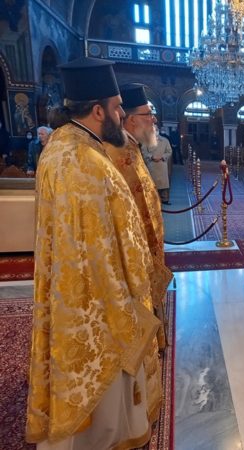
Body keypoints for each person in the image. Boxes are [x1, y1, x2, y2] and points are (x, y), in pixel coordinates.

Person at [26, 57, 162, 449]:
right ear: (98, 110)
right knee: (103, 392)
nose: (121, 115)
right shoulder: (83, 161)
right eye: (117, 107)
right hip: (97, 302)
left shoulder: (64, 147)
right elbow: (104, 244)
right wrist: (134, 292)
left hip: (78, 290)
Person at [104, 83, 173, 349]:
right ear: (132, 120)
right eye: (148, 114)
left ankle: (154, 339)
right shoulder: (118, 153)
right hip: (135, 247)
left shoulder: (131, 148)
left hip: (146, 243)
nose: (153, 120)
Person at [143, 126, 173, 204]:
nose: (155, 131)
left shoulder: (165, 140)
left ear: (158, 130)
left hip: (162, 164)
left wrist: (162, 157)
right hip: (151, 164)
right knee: (152, 183)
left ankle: (165, 199)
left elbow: (169, 151)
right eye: (153, 129)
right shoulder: (146, 140)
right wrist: (151, 157)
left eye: (156, 129)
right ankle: (152, 200)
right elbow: (144, 152)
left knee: (163, 184)